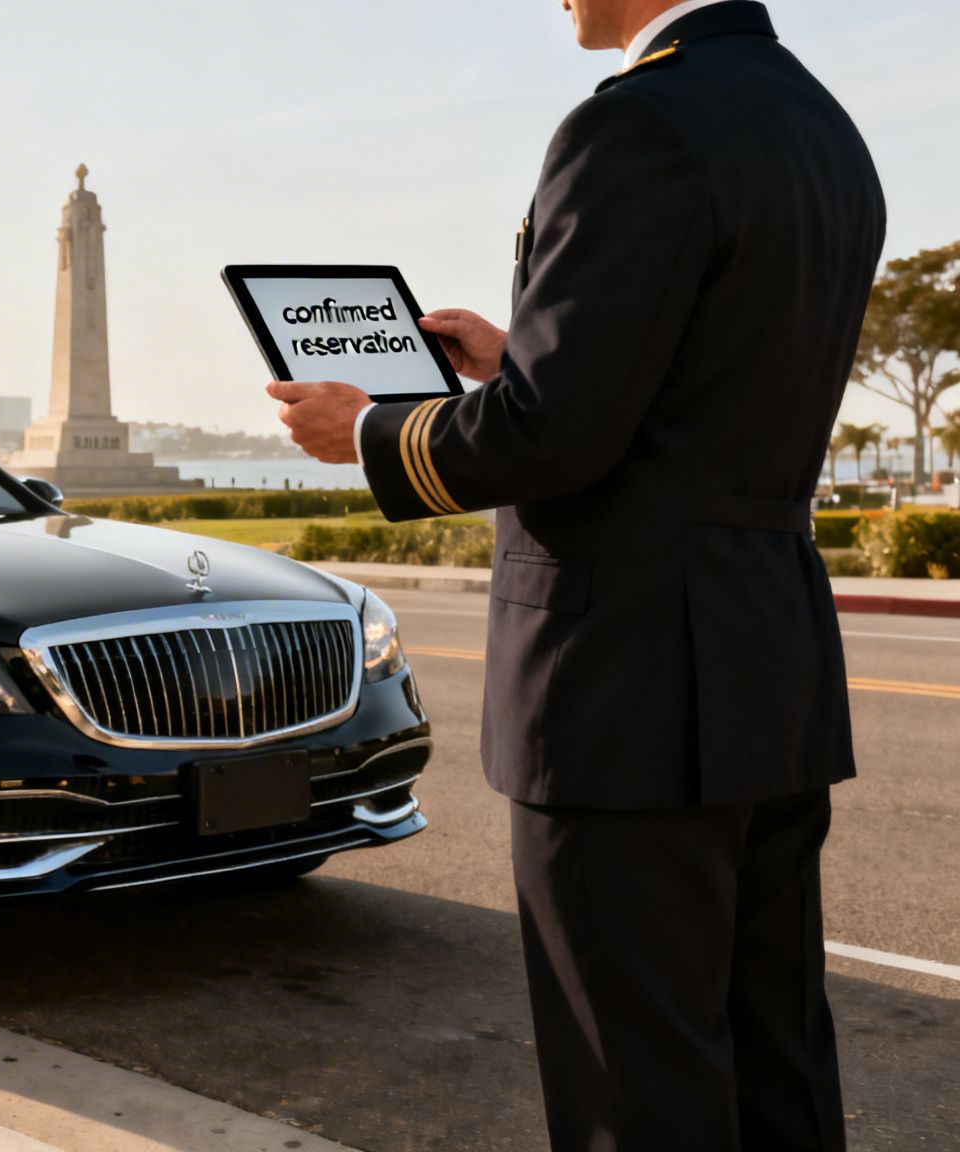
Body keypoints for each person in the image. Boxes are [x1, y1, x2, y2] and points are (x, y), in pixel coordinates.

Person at [268, 2, 883, 1149]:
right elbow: (693, 384)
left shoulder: (633, 123)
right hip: (765, 652)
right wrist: (517, 364)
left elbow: (555, 440)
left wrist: (367, 429)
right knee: (773, 1056)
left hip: (624, 680)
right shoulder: (818, 125)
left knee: (633, 1082)